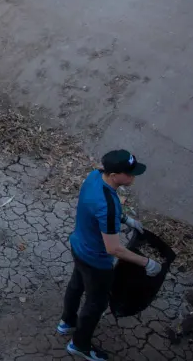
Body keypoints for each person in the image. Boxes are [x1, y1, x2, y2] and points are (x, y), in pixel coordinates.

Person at [57, 150, 161, 361]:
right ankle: (79, 344)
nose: (133, 177)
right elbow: (113, 249)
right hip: (95, 260)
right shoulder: (108, 205)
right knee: (96, 303)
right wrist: (147, 262)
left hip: (78, 244)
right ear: (114, 175)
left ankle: (66, 322)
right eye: (129, 173)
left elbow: (94, 207)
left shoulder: (95, 176)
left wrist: (125, 219)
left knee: (76, 284)